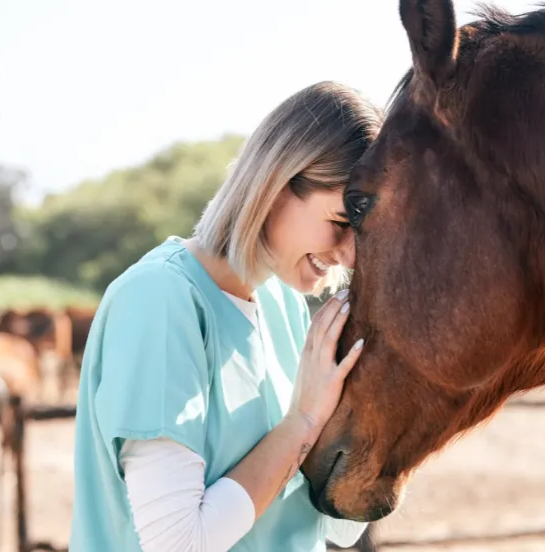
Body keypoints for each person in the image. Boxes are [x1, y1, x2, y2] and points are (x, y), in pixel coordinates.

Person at [69, 81, 385, 552]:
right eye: (340, 223)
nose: (350, 255)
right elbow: (180, 542)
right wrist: (302, 420)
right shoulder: (161, 300)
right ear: (276, 183)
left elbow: (336, 525)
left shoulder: (284, 305)